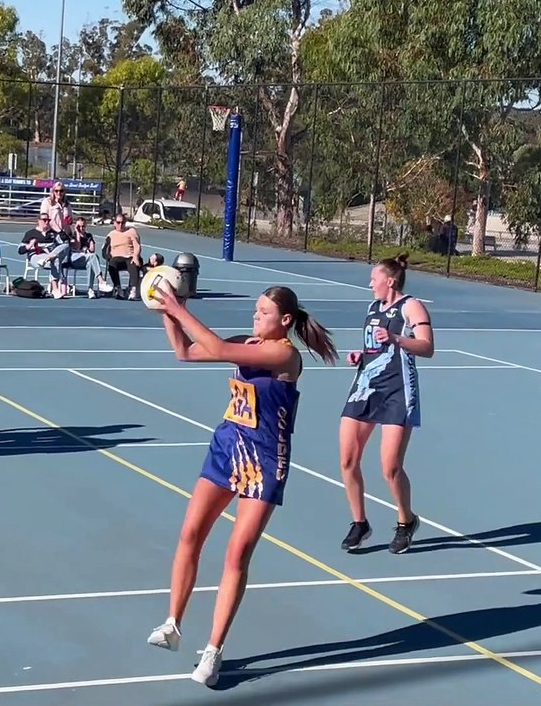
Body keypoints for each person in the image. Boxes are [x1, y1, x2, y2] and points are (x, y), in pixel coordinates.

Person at [146, 283, 338, 687]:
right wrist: (164, 308)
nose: (255, 316)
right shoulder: (248, 341)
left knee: (236, 554)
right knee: (190, 534)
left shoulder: (284, 354)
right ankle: (172, 623)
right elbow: (186, 351)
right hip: (228, 446)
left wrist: (179, 309)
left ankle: (213, 651)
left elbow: (214, 347)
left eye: (263, 312)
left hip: (265, 460)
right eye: (255, 310)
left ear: (284, 320)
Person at [338, 253, 435, 555]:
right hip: (366, 387)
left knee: (390, 467)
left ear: (389, 281)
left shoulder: (410, 307)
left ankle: (406, 522)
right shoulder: (372, 308)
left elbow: (427, 347)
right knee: (347, 460)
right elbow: (374, 348)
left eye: (374, 279)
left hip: (397, 391)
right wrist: (361, 355)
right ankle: (359, 523)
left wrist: (396, 338)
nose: (370, 284)